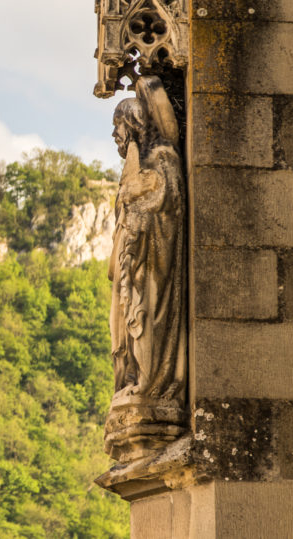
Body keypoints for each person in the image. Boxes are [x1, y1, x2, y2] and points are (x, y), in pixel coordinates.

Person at [108, 76, 186, 403]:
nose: (115, 134)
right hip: (133, 259)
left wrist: (137, 193)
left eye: (118, 125)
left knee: (145, 315)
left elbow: (167, 198)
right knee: (124, 322)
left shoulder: (162, 156)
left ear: (133, 124)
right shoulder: (138, 162)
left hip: (150, 260)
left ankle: (149, 382)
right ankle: (131, 378)